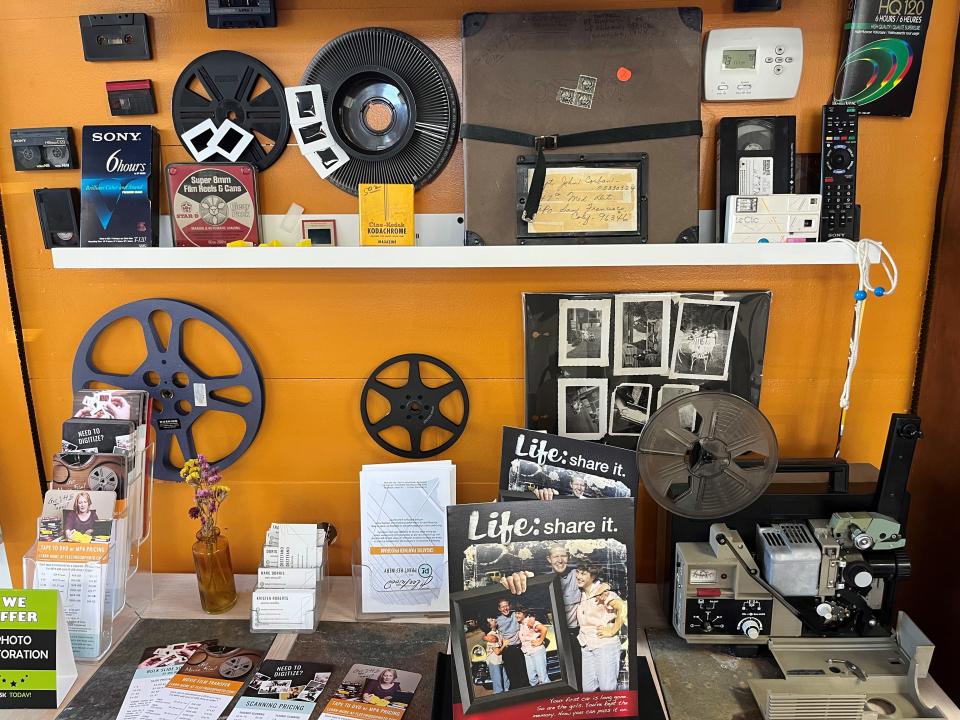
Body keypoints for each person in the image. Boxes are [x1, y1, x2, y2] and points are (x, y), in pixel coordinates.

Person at [500, 545, 589, 681]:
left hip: (574, 635)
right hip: (554, 636)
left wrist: (604, 587)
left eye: (563, 556)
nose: (560, 560)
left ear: (569, 557)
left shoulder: (578, 575)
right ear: (549, 559)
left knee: (581, 675)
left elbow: (597, 581)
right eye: (555, 556)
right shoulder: (538, 582)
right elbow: (521, 600)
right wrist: (512, 581)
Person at [575, 566, 626, 692]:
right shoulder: (580, 594)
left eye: (583, 573)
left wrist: (613, 630)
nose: (579, 576)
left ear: (592, 576)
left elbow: (623, 607)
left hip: (604, 646)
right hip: (586, 646)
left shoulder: (602, 593)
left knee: (607, 689)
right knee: (588, 690)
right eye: (577, 572)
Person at [494, 598, 529, 689]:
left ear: (509, 606)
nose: (505, 608)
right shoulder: (497, 620)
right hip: (506, 650)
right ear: (499, 609)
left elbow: (526, 614)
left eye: (506, 606)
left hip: (518, 648)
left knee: (523, 674)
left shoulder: (515, 614)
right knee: (512, 676)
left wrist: (532, 618)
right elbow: (487, 628)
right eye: (502, 607)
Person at [516, 609, 549, 685]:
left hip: (536, 651)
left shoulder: (530, 621)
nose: (516, 615)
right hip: (527, 652)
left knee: (543, 678)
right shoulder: (520, 624)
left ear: (524, 614)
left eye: (519, 613)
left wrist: (540, 641)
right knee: (532, 679)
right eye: (515, 613)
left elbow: (544, 629)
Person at [482, 617, 509, 694]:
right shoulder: (491, 636)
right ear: (489, 625)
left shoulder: (497, 632)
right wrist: (504, 645)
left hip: (500, 661)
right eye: (492, 620)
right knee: (498, 686)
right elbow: (497, 651)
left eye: (493, 619)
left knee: (506, 683)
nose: (494, 620)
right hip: (494, 662)